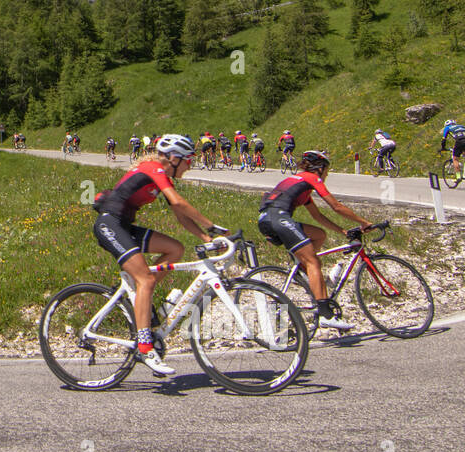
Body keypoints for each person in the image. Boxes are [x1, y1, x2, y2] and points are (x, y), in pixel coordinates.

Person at [92, 134, 225, 375]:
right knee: (146, 279)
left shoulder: (161, 174)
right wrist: (212, 226)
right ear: (174, 158)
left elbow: (179, 214)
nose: (190, 166)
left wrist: (206, 238)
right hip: (109, 226)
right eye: (188, 160)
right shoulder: (152, 168)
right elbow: (179, 202)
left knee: (175, 249)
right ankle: (144, 347)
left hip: (124, 227)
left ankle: (140, 298)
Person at [257, 150, 373, 330]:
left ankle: (302, 271)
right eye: (327, 171)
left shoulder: (301, 186)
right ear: (319, 168)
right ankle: (326, 314)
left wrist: (342, 231)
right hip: (278, 218)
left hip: (268, 218)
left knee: (319, 234)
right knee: (314, 262)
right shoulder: (311, 178)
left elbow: (318, 217)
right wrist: (364, 222)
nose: (327, 175)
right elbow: (336, 206)